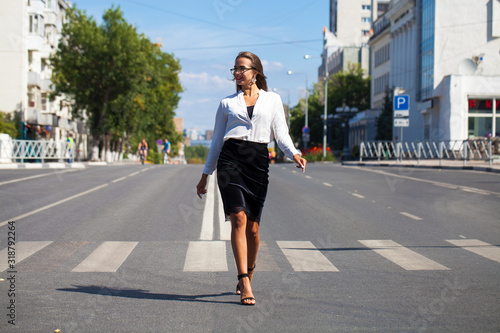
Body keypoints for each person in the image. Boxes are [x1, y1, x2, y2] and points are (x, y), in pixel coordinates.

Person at [196, 51, 306, 306]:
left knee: (253, 229)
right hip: (230, 161)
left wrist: (295, 154)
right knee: (238, 218)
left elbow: (281, 135)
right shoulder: (226, 103)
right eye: (234, 69)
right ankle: (244, 279)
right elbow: (215, 143)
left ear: (255, 72)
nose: (236, 73)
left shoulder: (273, 100)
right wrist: (205, 176)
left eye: (241, 69)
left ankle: (250, 269)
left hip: (257, 162)